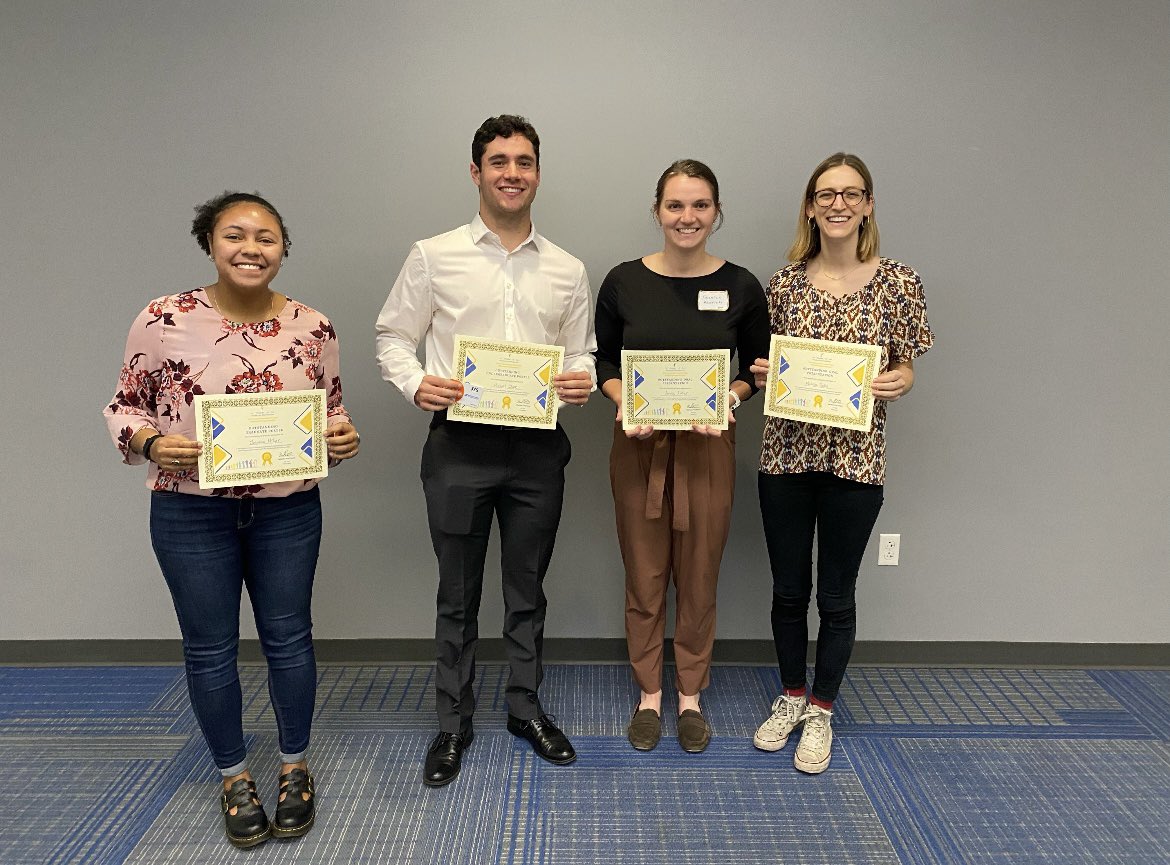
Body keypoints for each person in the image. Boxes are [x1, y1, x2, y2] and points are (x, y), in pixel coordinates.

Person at [104, 192, 360, 847]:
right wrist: (152, 444)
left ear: (283, 248)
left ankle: (294, 766)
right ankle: (233, 774)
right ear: (210, 243)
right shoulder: (164, 318)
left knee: (289, 638)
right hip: (190, 512)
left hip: (287, 511)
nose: (251, 248)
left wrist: (339, 436)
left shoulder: (314, 326)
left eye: (266, 237)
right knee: (211, 647)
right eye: (235, 235)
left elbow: (328, 409)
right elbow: (123, 407)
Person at [375, 115, 596, 787]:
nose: (511, 172)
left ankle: (524, 709)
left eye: (524, 161)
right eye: (497, 161)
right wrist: (417, 383)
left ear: (537, 173)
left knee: (526, 588)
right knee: (458, 592)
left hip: (536, 450)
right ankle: (453, 722)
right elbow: (391, 336)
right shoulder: (433, 254)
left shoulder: (566, 267)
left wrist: (579, 378)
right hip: (458, 447)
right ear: (475, 172)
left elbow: (581, 349)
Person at [750, 153, 933, 773]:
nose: (837, 204)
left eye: (851, 194)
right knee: (786, 590)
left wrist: (899, 382)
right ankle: (791, 696)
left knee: (835, 595)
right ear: (809, 206)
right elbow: (765, 364)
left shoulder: (900, 282)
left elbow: (907, 366)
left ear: (868, 205)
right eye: (825, 194)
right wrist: (766, 374)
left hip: (857, 462)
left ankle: (822, 710)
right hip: (786, 456)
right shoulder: (783, 284)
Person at [594, 160, 769, 753]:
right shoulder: (623, 281)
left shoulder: (742, 286)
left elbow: (755, 369)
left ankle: (690, 694)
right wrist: (625, 404)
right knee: (645, 575)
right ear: (657, 211)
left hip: (708, 448)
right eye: (675, 205)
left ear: (716, 212)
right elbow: (604, 363)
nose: (687, 218)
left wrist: (730, 399)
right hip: (638, 448)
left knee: (698, 575)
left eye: (699, 206)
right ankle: (649, 693)